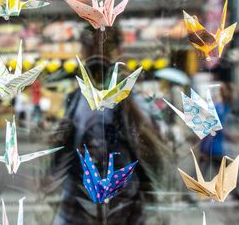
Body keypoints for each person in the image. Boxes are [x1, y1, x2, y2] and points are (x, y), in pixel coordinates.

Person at [50, 25, 164, 225]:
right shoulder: (75, 100)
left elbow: (155, 153)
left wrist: (123, 93)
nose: (98, 56)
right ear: (84, 53)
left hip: (124, 213)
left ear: (119, 53)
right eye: (91, 48)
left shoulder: (134, 99)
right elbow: (56, 161)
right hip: (78, 213)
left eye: (105, 49)